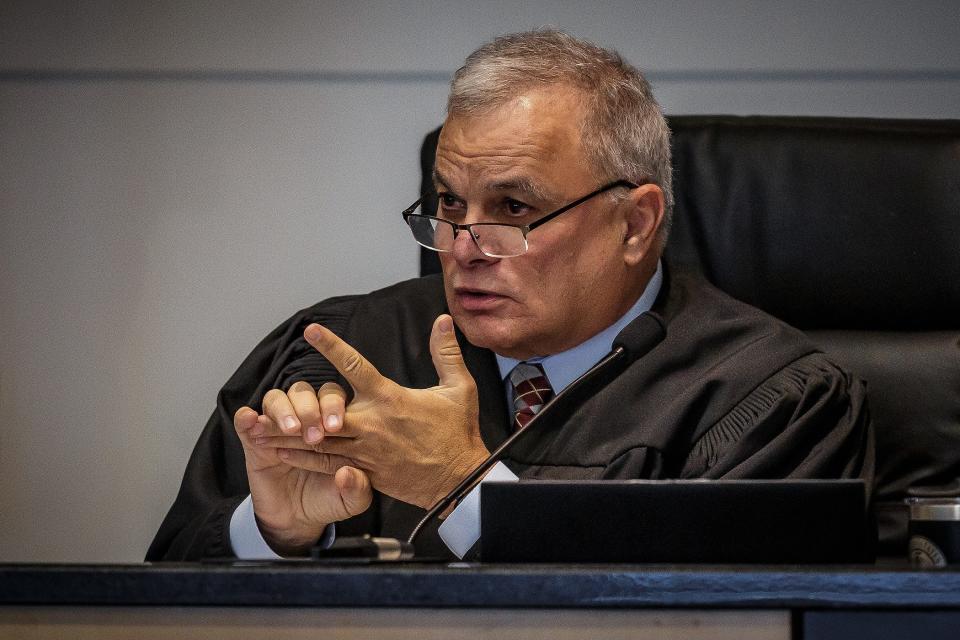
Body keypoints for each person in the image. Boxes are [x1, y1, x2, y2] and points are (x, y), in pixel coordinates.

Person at [147, 29, 873, 561]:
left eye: (515, 210)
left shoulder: (772, 402)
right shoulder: (338, 353)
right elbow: (159, 588)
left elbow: (732, 622)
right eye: (450, 205)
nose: (464, 247)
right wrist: (276, 532)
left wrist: (465, 490)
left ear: (636, 222)